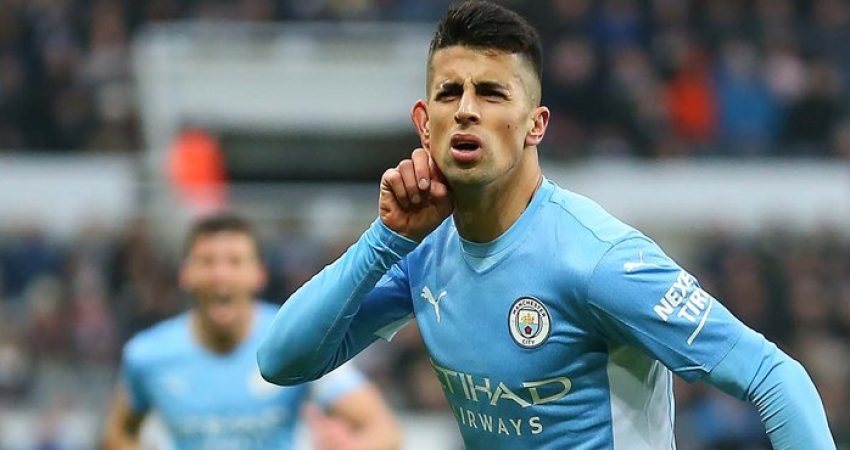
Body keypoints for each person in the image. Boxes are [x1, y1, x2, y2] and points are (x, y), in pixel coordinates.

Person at [257, 1, 836, 449]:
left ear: (536, 125)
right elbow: (281, 360)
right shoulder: (421, 252)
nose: (466, 109)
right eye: (449, 93)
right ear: (424, 122)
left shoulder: (599, 260)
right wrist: (386, 239)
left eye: (491, 93)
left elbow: (772, 375)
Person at [102, 213, 401, 450]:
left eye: (234, 261)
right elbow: (118, 433)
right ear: (186, 274)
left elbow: (383, 430)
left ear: (258, 274)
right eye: (207, 262)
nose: (220, 275)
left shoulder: (294, 341)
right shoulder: (148, 354)